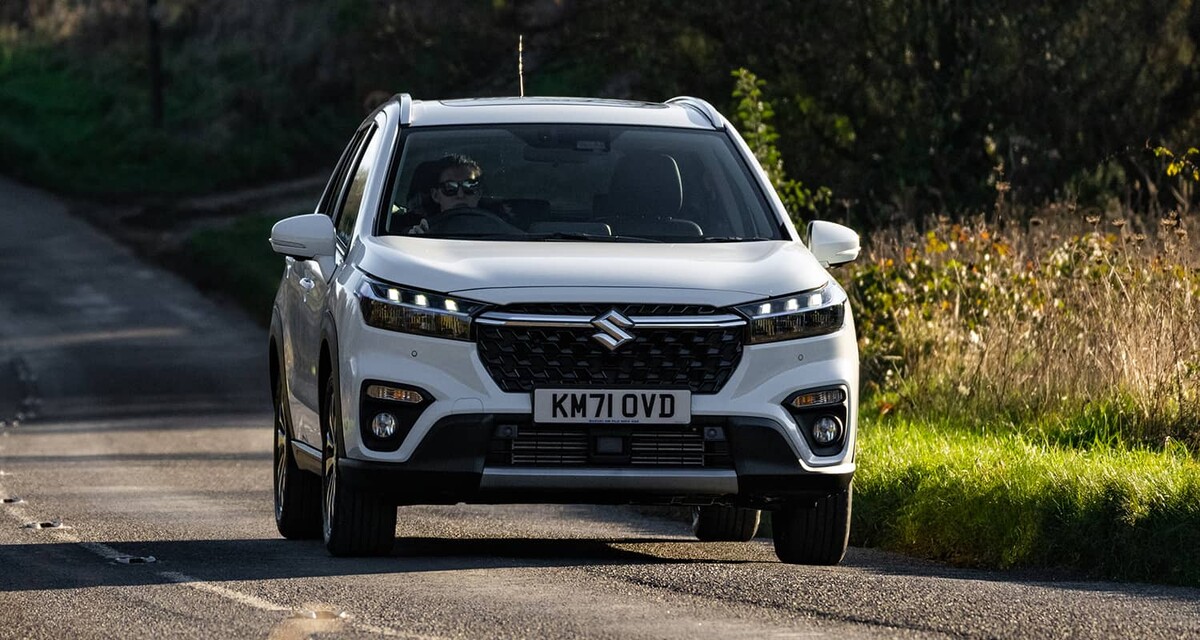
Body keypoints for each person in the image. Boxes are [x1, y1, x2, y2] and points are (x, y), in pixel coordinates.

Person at [403, 154, 483, 234]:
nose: (460, 195)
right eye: (450, 187)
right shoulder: (422, 232)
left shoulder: (495, 228)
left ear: (479, 192)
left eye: (469, 186)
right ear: (435, 195)